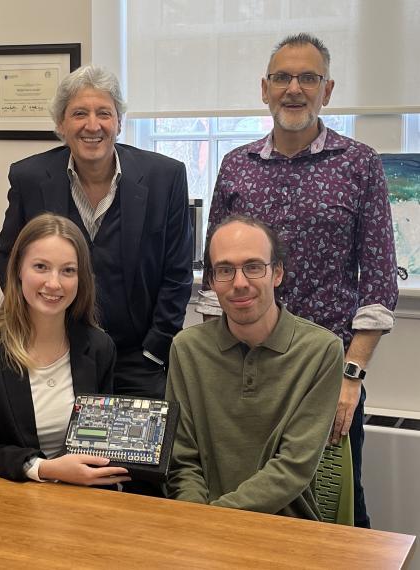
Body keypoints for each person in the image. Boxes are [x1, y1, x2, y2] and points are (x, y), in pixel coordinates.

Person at [197, 33, 398, 527]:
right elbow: (214, 275)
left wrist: (351, 377)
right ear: (264, 89)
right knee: (247, 490)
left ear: (327, 90)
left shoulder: (359, 164)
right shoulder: (236, 167)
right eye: (283, 77)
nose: (294, 88)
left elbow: (377, 284)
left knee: (335, 501)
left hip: (326, 372)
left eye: (308, 78)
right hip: (244, 367)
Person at [0, 65, 193, 400]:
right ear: (61, 124)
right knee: (59, 446)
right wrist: (35, 325)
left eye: (104, 113)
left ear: (119, 122)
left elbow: (178, 272)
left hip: (138, 360)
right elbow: (9, 258)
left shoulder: (165, 177)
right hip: (58, 353)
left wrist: (155, 350)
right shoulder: (29, 177)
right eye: (79, 113)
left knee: (137, 453)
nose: (92, 125)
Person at [167, 215, 343, 519]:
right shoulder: (187, 349)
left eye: (253, 267)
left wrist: (214, 519)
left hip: (285, 529)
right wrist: (195, 523)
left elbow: (292, 467)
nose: (239, 283)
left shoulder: (321, 351)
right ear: (210, 281)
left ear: (276, 273)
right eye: (225, 270)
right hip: (199, 527)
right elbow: (182, 461)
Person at [0, 213, 129, 486]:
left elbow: (100, 442)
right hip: (8, 500)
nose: (54, 283)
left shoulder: (99, 348)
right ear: (18, 270)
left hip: (80, 500)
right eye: (41, 267)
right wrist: (44, 468)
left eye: (68, 270)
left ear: (81, 278)